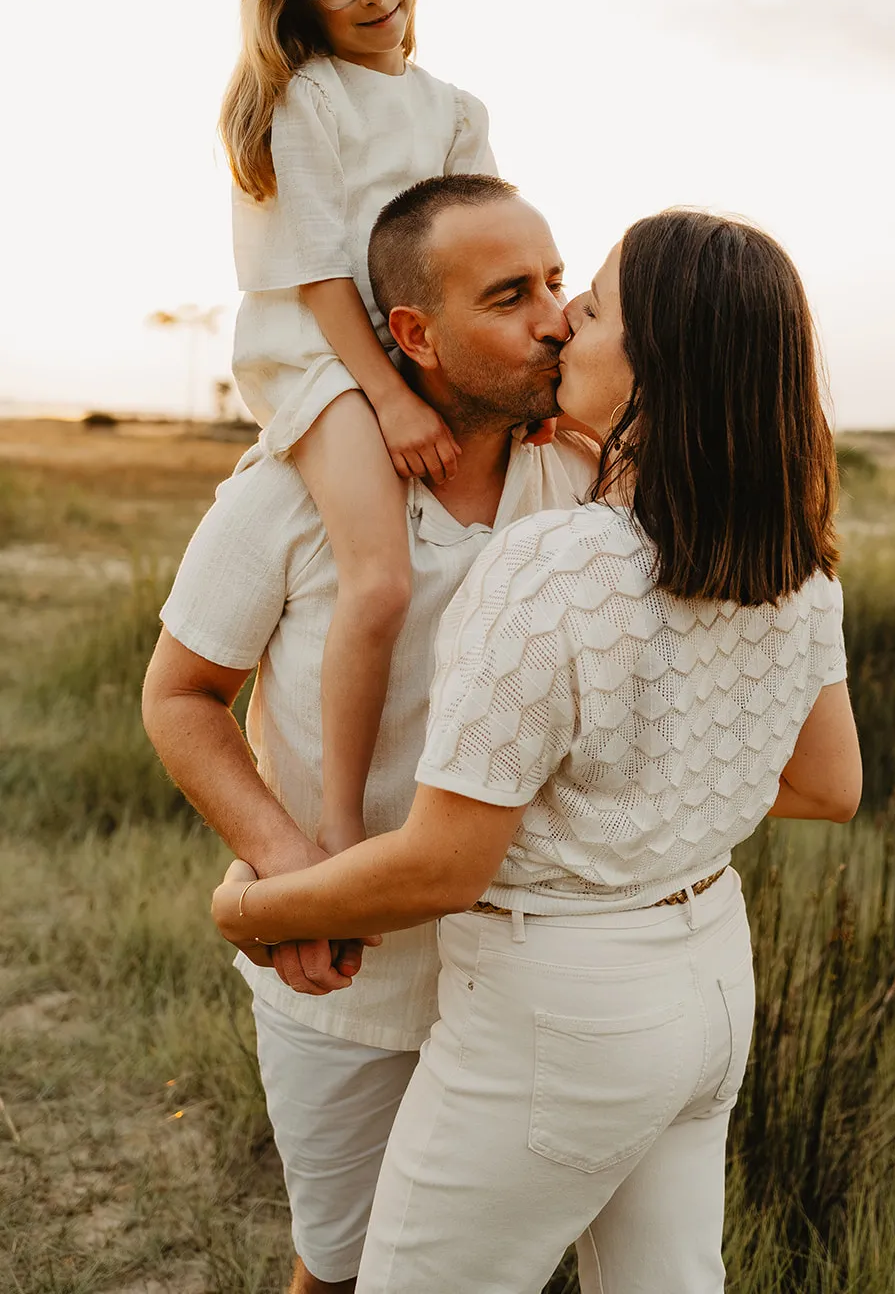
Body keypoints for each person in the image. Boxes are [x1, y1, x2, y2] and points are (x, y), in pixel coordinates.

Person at [212, 208, 863, 1294]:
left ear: (655, 368)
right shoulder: (793, 559)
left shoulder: (553, 562)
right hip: (706, 984)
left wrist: (248, 911)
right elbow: (826, 784)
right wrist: (640, 810)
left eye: (592, 307)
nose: (563, 325)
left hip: (561, 1011)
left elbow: (445, 863)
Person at [142, 174, 597, 1294]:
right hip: (352, 984)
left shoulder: (589, 481)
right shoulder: (292, 492)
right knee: (338, 1270)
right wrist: (294, 868)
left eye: (552, 280)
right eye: (507, 296)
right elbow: (181, 693)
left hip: (537, 977)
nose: (554, 314)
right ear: (413, 334)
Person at [220, 0, 496, 856]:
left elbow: (480, 261)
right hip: (322, 356)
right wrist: (390, 400)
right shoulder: (309, 99)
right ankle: (336, 821)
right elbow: (322, 277)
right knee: (378, 581)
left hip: (416, 357)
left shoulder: (456, 112)